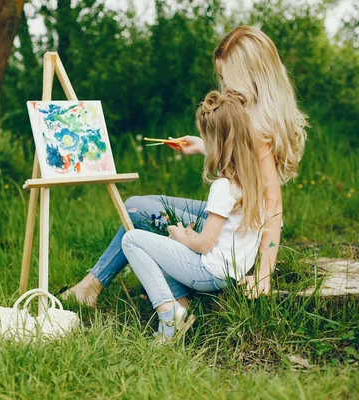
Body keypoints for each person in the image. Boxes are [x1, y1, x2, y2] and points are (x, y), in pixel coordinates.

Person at [61, 25, 307, 306]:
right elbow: (242, 162)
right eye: (223, 78)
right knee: (140, 205)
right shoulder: (251, 114)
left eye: (230, 79)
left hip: (234, 232)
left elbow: (273, 205)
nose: (225, 87)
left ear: (253, 76)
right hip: (236, 222)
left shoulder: (259, 127)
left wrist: (264, 274)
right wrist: (203, 145)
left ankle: (96, 286)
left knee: (135, 208)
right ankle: (97, 285)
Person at [122, 89, 265, 340]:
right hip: (234, 272)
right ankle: (180, 308)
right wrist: (188, 236)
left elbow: (204, 244)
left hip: (210, 272)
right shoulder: (253, 180)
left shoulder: (223, 186)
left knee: (132, 240)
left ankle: (167, 316)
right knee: (159, 249)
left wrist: (182, 237)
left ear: (216, 144)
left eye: (205, 140)